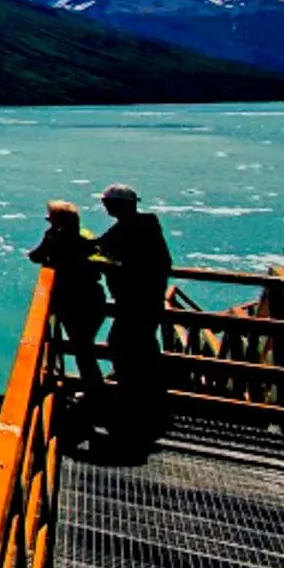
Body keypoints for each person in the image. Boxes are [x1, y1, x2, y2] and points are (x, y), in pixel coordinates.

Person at [95, 183, 172, 443]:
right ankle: (147, 409)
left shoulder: (135, 228)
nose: (105, 207)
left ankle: (135, 411)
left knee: (126, 349)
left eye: (108, 203)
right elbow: (100, 245)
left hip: (138, 304)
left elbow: (104, 250)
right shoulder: (140, 225)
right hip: (143, 303)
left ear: (119, 205)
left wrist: (115, 268)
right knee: (142, 351)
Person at [26, 200, 108, 392]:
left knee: (81, 348)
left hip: (72, 301)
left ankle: (94, 392)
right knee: (84, 348)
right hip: (94, 297)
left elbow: (36, 256)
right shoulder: (84, 238)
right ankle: (95, 390)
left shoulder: (56, 238)